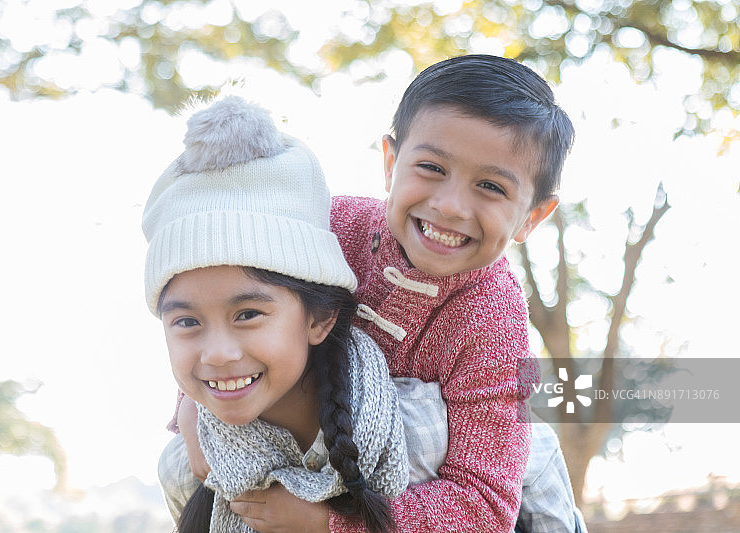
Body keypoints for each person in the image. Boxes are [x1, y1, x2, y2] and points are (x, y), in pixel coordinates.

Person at [161, 54, 586, 532]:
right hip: (319, 444)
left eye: (490, 186)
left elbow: (484, 503)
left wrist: (332, 524)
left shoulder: (492, 320)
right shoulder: (331, 227)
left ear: (532, 216)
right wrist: (189, 407)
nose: (449, 205)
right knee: (179, 460)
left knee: (426, 421)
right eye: (431, 167)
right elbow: (213, 300)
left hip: (444, 494)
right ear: (390, 162)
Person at [141, 95, 411, 532]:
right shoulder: (185, 469)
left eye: (247, 314)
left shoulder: (417, 428)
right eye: (187, 322)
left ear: (320, 318)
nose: (218, 353)